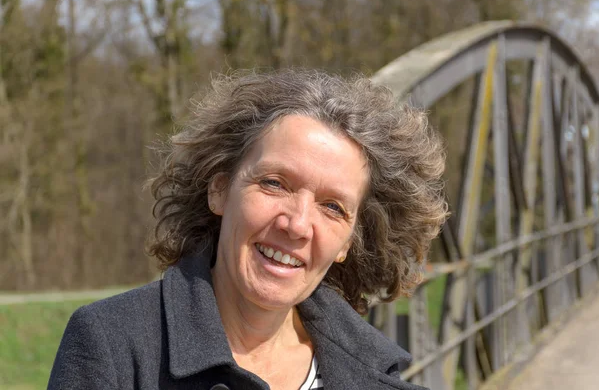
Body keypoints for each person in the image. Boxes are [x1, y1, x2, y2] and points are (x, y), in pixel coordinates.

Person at [48, 69, 447, 390]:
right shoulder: (112, 346)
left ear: (348, 241)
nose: (297, 224)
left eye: (332, 207)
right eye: (274, 183)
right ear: (219, 190)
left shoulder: (379, 379)